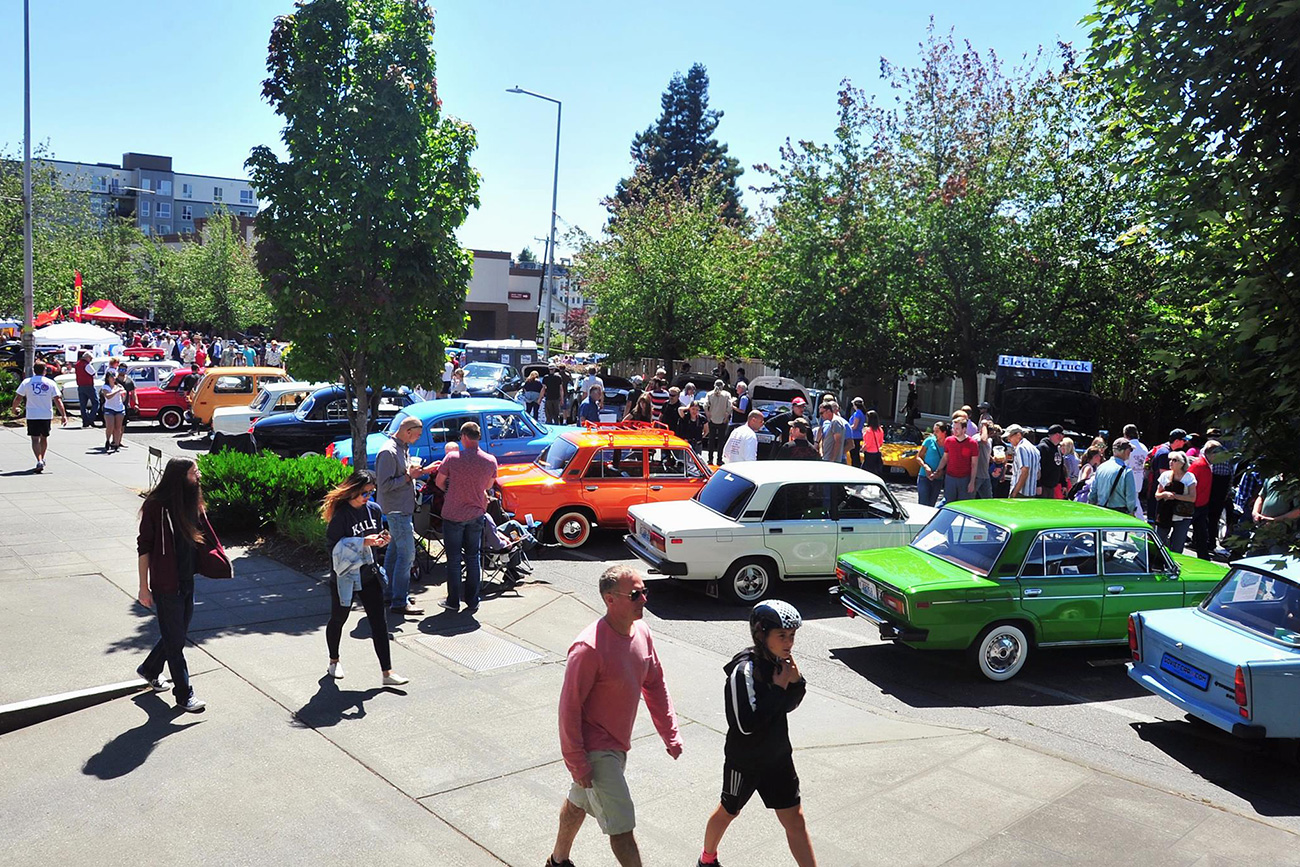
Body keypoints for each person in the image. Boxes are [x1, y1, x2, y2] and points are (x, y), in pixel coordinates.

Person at [549, 566, 682, 867]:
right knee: (622, 828)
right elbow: (568, 709)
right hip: (595, 751)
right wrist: (577, 761)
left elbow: (655, 683)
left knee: (577, 804)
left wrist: (670, 733)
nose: (644, 599)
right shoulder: (588, 649)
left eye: (645, 591)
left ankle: (557, 861)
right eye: (636, 594)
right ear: (610, 599)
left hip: (617, 744)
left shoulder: (643, 633)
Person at [699, 600, 816, 867]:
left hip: (777, 758)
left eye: (792, 636)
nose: (789, 643)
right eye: (782, 636)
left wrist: (796, 684)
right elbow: (745, 724)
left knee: (795, 820)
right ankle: (707, 859)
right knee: (730, 810)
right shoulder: (743, 671)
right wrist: (778, 688)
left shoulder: (780, 664)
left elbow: (787, 707)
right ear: (762, 634)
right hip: (745, 761)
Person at [135, 457, 231, 713]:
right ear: (179, 477)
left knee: (175, 634)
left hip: (187, 579)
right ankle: (184, 694)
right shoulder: (156, 506)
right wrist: (143, 587)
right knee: (176, 642)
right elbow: (144, 547)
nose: (198, 476)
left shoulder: (192, 502)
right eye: (193, 473)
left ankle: (150, 668)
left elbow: (205, 537)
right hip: (165, 583)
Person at [321, 470, 408, 686]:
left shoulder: (374, 510)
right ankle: (334, 660)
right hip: (346, 576)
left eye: (371, 493)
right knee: (339, 618)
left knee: (379, 623)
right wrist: (362, 542)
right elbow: (332, 547)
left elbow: (375, 537)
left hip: (369, 573)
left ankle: (387, 673)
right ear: (352, 491)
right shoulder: (341, 515)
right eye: (364, 493)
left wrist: (381, 539)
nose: (368, 497)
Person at [435, 421, 499, 615]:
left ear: (463, 437)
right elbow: (488, 487)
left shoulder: (452, 458)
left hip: (453, 513)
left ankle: (453, 601)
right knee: (473, 557)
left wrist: (452, 490)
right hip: (476, 513)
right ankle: (473, 600)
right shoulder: (490, 460)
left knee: (454, 560)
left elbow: (439, 482)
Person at [374, 416, 431, 618]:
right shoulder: (389, 452)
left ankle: (390, 594)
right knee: (407, 556)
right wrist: (409, 477)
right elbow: (385, 485)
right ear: (407, 432)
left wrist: (420, 472)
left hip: (400, 508)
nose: (416, 440)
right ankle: (399, 601)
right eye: (416, 436)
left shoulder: (401, 447)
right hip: (396, 510)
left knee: (394, 553)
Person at [12, 360, 68, 473]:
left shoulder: (27, 382)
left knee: (34, 438)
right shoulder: (50, 383)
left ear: (34, 370)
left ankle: (39, 460)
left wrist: (14, 408)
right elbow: (58, 399)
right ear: (45, 371)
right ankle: (41, 458)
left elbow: (18, 397)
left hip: (32, 414)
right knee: (44, 437)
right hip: (46, 414)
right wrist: (63, 415)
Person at [1155, 452, 1197, 553]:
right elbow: (1157, 495)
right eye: (1170, 460)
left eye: (1175, 460)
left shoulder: (1189, 477)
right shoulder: (1165, 475)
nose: (1171, 462)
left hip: (1182, 514)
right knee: (1159, 540)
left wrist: (1175, 496)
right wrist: (1165, 495)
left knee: (1178, 544)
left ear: (1182, 463)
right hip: (1165, 513)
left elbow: (1192, 498)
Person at [1249, 474, 1300, 556]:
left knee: (1274, 561)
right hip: (1261, 528)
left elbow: (1298, 511)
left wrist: (1275, 520)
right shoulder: (1271, 477)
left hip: (1280, 533)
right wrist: (1255, 512)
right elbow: (1261, 496)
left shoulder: (1295, 484)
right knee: (1250, 560)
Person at [1145, 428, 1189, 521]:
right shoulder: (1165, 454)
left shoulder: (1164, 449)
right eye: (1184, 440)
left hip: (1156, 491)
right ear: (1177, 441)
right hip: (1158, 493)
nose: (1185, 443)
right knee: (1156, 521)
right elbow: (1165, 477)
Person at [935, 416, 978, 503]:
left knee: (963, 504)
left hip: (965, 478)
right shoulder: (949, 441)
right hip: (950, 477)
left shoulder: (972, 443)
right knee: (948, 502)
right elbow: (945, 457)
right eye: (953, 428)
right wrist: (938, 470)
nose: (955, 430)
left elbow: (974, 464)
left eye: (957, 428)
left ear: (964, 429)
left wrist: (972, 482)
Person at [1088, 438, 1137, 514]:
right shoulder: (1127, 471)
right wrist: (1132, 511)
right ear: (1125, 451)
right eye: (1130, 450)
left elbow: (1093, 493)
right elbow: (1130, 498)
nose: (1130, 452)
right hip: (1119, 513)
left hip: (1102, 511)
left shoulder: (1101, 467)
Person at [1189, 442, 1220, 559]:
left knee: (1202, 534)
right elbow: (1189, 485)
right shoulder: (1198, 465)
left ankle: (1204, 557)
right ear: (1211, 454)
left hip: (1202, 505)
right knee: (1182, 532)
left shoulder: (1207, 466)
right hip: (1193, 505)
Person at [917, 421, 948, 508]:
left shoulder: (948, 444)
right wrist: (925, 466)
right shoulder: (929, 440)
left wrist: (941, 472)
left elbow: (949, 461)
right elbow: (918, 457)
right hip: (924, 476)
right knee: (923, 504)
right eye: (934, 431)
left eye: (937, 431)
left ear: (944, 432)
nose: (934, 433)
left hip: (938, 478)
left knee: (931, 504)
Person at [1006, 424, 1040, 500]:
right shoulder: (1034, 449)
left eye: (1010, 437)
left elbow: (1025, 472)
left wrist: (1014, 493)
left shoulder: (1021, 448)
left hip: (1020, 493)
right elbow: (1038, 473)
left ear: (1018, 435)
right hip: (1031, 492)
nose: (1008, 440)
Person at [1123, 424, 1150, 520]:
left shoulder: (1128, 447)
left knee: (1133, 502)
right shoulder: (1144, 447)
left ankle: (1141, 522)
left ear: (1126, 435)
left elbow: (1124, 463)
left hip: (1128, 477)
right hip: (1139, 476)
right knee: (1135, 499)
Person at [99, 370, 127, 453]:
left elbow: (123, 396)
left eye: (114, 376)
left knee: (118, 428)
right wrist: (117, 391)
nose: (113, 378)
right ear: (108, 378)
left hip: (119, 408)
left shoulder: (119, 386)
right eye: (111, 377)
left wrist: (123, 394)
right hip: (109, 408)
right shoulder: (105, 387)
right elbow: (108, 396)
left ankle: (116, 444)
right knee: (110, 427)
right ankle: (108, 440)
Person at [1037, 424, 1066, 498]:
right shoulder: (1043, 448)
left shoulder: (1058, 449)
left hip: (1052, 487)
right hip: (1043, 487)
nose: (1063, 437)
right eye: (1062, 434)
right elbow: (1037, 468)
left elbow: (1060, 467)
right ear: (1057, 435)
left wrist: (1063, 484)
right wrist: (1038, 484)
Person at [73, 350, 98, 428]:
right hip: (89, 385)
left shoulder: (77, 364)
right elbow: (94, 374)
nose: (91, 360)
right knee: (96, 402)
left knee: (83, 405)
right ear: (87, 357)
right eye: (90, 358)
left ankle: (85, 421)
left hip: (80, 385)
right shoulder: (87, 365)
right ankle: (91, 418)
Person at [860, 409, 885, 475]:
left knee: (865, 471)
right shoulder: (880, 430)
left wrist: (862, 449)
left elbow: (867, 444)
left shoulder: (868, 431)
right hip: (876, 452)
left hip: (869, 453)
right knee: (875, 471)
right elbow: (881, 443)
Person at [846, 398, 866, 468]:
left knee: (854, 455)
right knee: (855, 454)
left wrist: (846, 428)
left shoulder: (857, 413)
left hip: (855, 436)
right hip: (858, 435)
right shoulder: (861, 413)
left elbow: (855, 426)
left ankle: (855, 467)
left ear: (855, 405)